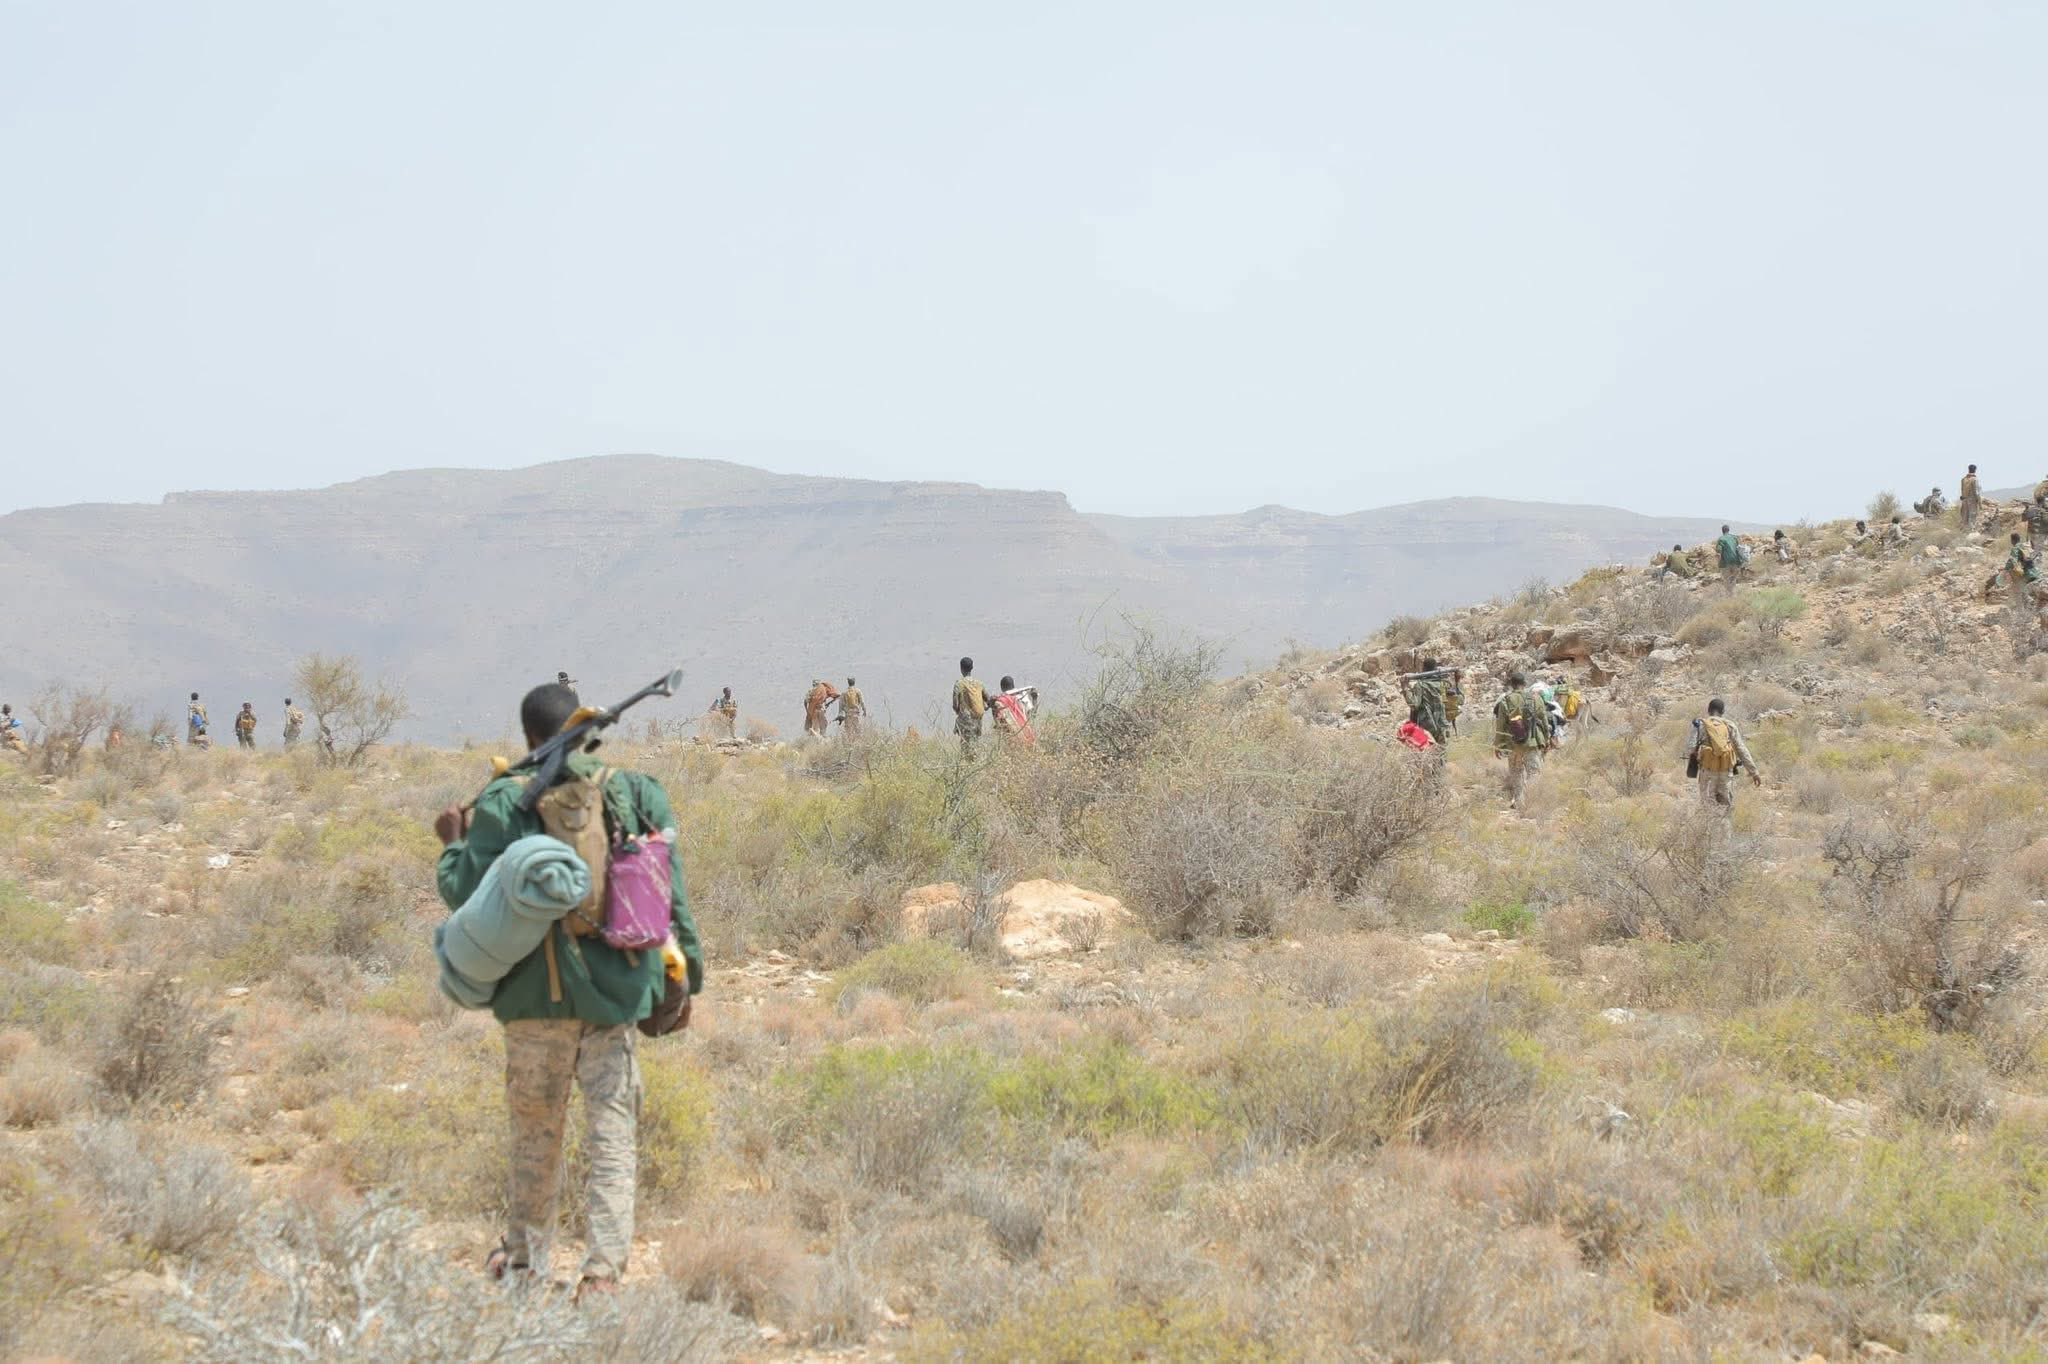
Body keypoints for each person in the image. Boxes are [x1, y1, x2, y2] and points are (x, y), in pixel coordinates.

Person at [431, 680, 703, 1297]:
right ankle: (602, 1276)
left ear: (528, 736)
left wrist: (452, 844)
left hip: (532, 1002)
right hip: (613, 997)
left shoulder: (504, 800)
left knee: (535, 1136)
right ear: (583, 732)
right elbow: (674, 898)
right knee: (612, 1136)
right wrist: (688, 980)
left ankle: (526, 1268)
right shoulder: (636, 793)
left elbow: (463, 893)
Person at [1685, 697, 1761, 812]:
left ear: (1709, 710)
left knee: (1707, 807)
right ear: (1723, 711)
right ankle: (1725, 824)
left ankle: (1708, 824)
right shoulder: (1730, 725)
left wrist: (1698, 753)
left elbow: (1690, 747)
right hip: (1726, 772)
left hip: (1707, 772)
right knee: (1726, 807)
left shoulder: (1700, 725)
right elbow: (1742, 749)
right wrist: (1754, 772)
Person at [1491, 670, 1553, 812]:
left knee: (1517, 774)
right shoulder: (1536, 698)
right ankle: (1533, 804)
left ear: (1511, 685)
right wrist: (1547, 739)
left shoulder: (1505, 701)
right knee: (1534, 773)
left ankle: (1519, 803)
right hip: (1533, 742)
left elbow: (1500, 725)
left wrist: (1498, 745)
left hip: (1513, 745)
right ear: (1524, 684)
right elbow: (1544, 720)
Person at [1398, 660, 1457, 745]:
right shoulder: (1442, 683)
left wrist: (1405, 687)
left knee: (1428, 750)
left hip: (1427, 726)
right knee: (1443, 749)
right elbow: (1445, 701)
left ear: (1424, 668)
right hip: (1442, 723)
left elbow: (1414, 704)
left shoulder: (1420, 685)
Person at [952, 657, 987, 753]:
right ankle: (976, 759)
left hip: (965, 720)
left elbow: (955, 705)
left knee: (966, 746)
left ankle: (969, 760)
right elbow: (988, 700)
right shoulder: (979, 683)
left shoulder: (959, 684)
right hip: (978, 720)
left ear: (961, 668)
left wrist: (959, 712)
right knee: (976, 743)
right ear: (972, 667)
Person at [989, 675, 1036, 744]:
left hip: (1013, 736)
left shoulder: (1001, 701)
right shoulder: (1023, 696)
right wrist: (1034, 699)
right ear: (1013, 685)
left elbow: (998, 721)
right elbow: (1032, 715)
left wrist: (992, 706)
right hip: (1027, 732)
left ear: (1002, 688)